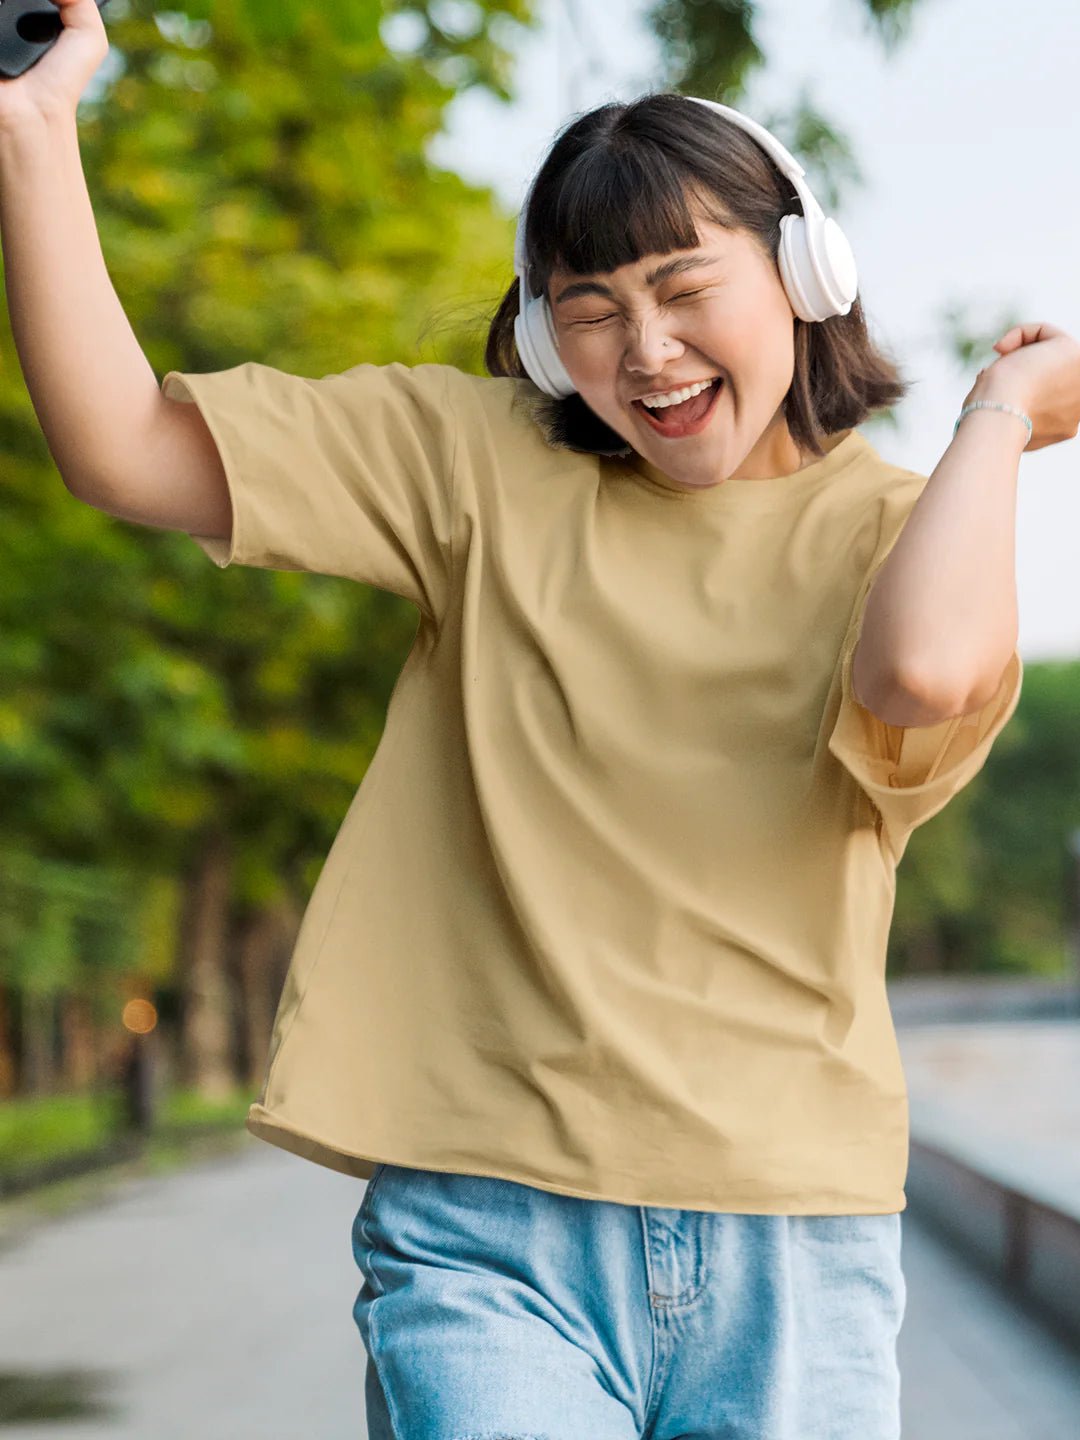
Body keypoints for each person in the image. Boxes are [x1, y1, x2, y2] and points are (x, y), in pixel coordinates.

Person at [5, 4, 1080, 1437]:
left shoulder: (900, 533)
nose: (648, 350)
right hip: (485, 1223)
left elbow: (924, 678)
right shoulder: (474, 461)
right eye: (592, 309)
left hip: (791, 1235)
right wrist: (32, 126)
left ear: (805, 271)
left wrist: (998, 416)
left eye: (685, 286)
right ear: (548, 337)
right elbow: (124, 446)